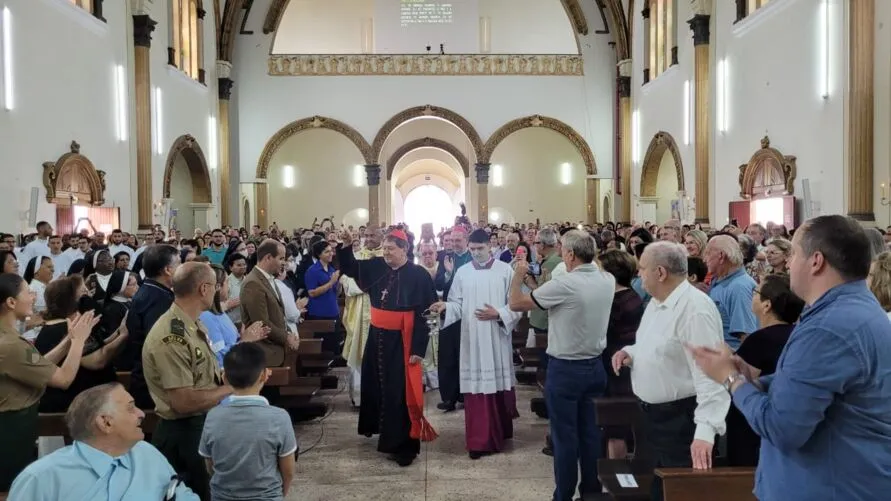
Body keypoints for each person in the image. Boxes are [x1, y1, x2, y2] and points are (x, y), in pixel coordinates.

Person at [690, 215, 891, 501]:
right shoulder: (857, 307)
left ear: (816, 261)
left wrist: (732, 380)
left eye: (794, 254)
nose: (789, 263)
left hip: (826, 486)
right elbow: (825, 386)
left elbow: (781, 428)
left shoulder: (829, 328)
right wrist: (753, 379)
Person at [611, 242, 729, 501]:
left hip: (680, 421)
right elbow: (654, 343)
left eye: (642, 269)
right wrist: (630, 353)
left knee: (680, 492)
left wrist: (705, 432)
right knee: (653, 490)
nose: (638, 275)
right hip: (650, 418)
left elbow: (712, 376)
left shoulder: (695, 310)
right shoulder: (657, 301)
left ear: (660, 272)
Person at [507, 230, 615, 501]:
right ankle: (590, 492)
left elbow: (516, 303)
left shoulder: (566, 283)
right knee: (590, 434)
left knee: (565, 438)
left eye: (563, 250)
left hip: (566, 369)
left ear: (569, 254)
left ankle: (563, 496)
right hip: (595, 367)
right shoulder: (607, 279)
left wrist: (518, 275)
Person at [337, 229, 438, 467]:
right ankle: (384, 433)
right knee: (378, 386)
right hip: (377, 337)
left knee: (399, 392)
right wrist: (345, 245)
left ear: (404, 249)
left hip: (403, 340)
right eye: (384, 248)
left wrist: (418, 348)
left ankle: (404, 446)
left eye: (391, 249)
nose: (386, 253)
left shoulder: (419, 275)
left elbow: (426, 314)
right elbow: (350, 268)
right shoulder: (376, 267)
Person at [8, 383, 200, 501]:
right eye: (131, 408)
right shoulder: (42, 478)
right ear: (105, 422)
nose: (141, 414)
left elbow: (181, 495)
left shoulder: (147, 454)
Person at [142, 262, 234, 500]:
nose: (217, 291)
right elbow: (182, 402)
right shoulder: (173, 336)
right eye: (215, 286)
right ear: (204, 289)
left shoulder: (192, 323)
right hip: (183, 433)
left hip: (199, 424)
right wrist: (231, 388)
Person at [0, 273, 99, 490]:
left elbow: (38, 365)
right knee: (12, 489)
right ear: (10, 302)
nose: (34, 296)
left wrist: (69, 339)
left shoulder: (8, 338)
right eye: (28, 292)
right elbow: (63, 379)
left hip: (16, 426)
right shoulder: (9, 345)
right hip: (9, 430)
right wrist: (78, 342)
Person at [430, 229, 522, 459]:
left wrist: (499, 314)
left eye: (480, 249)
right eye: (472, 250)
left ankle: (500, 432)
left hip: (496, 336)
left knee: (496, 385)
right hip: (471, 337)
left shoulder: (505, 271)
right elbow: (457, 304)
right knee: (476, 389)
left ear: (490, 246)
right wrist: (445, 308)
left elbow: (516, 304)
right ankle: (479, 441)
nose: (476, 253)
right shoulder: (463, 272)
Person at [199, 343, 298, 501]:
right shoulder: (280, 417)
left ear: (224, 378)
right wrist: (279, 494)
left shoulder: (213, 416)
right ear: (264, 375)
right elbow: (288, 471)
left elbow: (210, 466)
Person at [726, 273, 804, 467]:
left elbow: (742, 381)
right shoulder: (800, 335)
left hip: (755, 425)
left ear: (767, 305)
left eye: (755, 292)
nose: (752, 295)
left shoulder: (759, 341)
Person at [125, 244, 180, 408]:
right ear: (168, 270)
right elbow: (161, 343)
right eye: (179, 263)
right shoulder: (159, 300)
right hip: (154, 385)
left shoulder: (152, 291)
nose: (181, 268)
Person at [240, 239, 299, 367]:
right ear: (268, 257)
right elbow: (262, 323)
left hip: (275, 350)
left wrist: (289, 333)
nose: (283, 263)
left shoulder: (268, 279)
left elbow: (279, 314)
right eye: (281, 258)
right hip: (264, 352)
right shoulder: (253, 283)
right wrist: (286, 337)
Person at [434, 225, 473, 412]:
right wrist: (449, 273)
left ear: (466, 240)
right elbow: (439, 282)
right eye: (451, 241)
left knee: (466, 355)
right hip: (449, 312)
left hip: (469, 312)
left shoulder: (474, 257)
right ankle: (449, 397)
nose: (454, 244)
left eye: (458, 240)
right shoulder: (445, 258)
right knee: (448, 355)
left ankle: (465, 395)